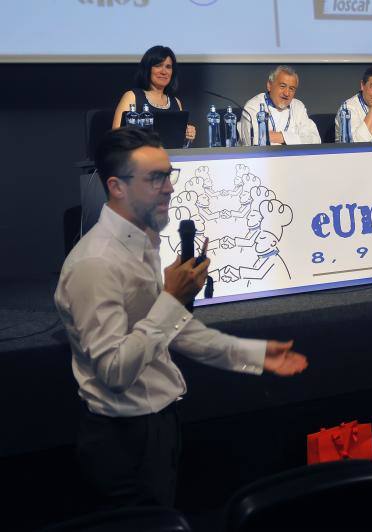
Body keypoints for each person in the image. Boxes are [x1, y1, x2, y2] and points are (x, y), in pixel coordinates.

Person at [54, 128, 308, 509]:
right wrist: (172, 297)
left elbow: (175, 331)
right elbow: (114, 372)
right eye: (155, 178)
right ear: (117, 187)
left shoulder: (142, 242)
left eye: (169, 175)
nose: (169, 187)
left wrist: (253, 356)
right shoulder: (96, 264)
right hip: (123, 439)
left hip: (157, 427)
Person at [112, 45, 196, 144]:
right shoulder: (132, 96)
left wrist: (187, 136)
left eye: (168, 67)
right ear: (147, 69)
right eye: (158, 66)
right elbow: (116, 137)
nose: (164, 72)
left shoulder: (176, 102)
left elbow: (178, 141)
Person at [238, 65, 321, 146]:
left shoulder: (298, 106)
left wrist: (281, 137)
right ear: (269, 85)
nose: (286, 93)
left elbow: (314, 140)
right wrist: (294, 140)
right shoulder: (253, 106)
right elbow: (253, 142)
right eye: (282, 86)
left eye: (291, 89)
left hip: (294, 158)